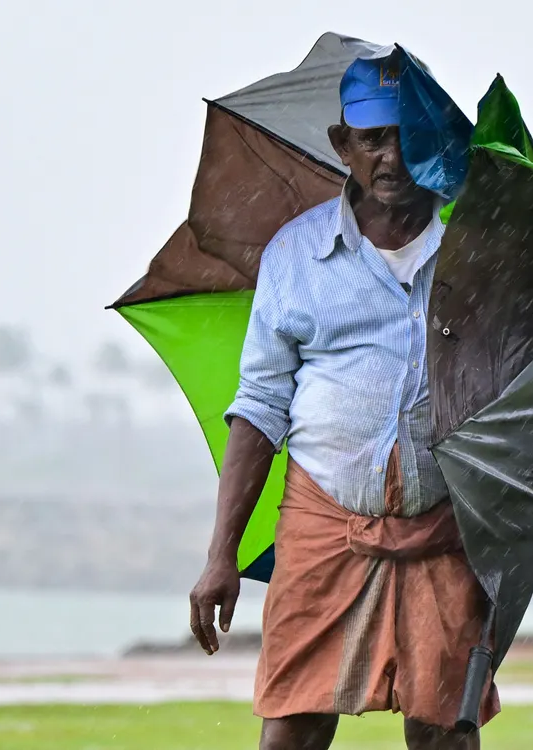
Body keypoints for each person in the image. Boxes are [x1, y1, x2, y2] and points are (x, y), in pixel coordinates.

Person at [188, 52, 500, 750]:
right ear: (342, 145)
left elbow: (521, 395)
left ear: (437, 142)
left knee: (447, 730)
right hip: (324, 521)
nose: (392, 156)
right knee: (292, 730)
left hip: (447, 526)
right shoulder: (295, 257)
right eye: (373, 139)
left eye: (409, 136)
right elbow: (261, 406)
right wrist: (221, 556)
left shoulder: (478, 252)